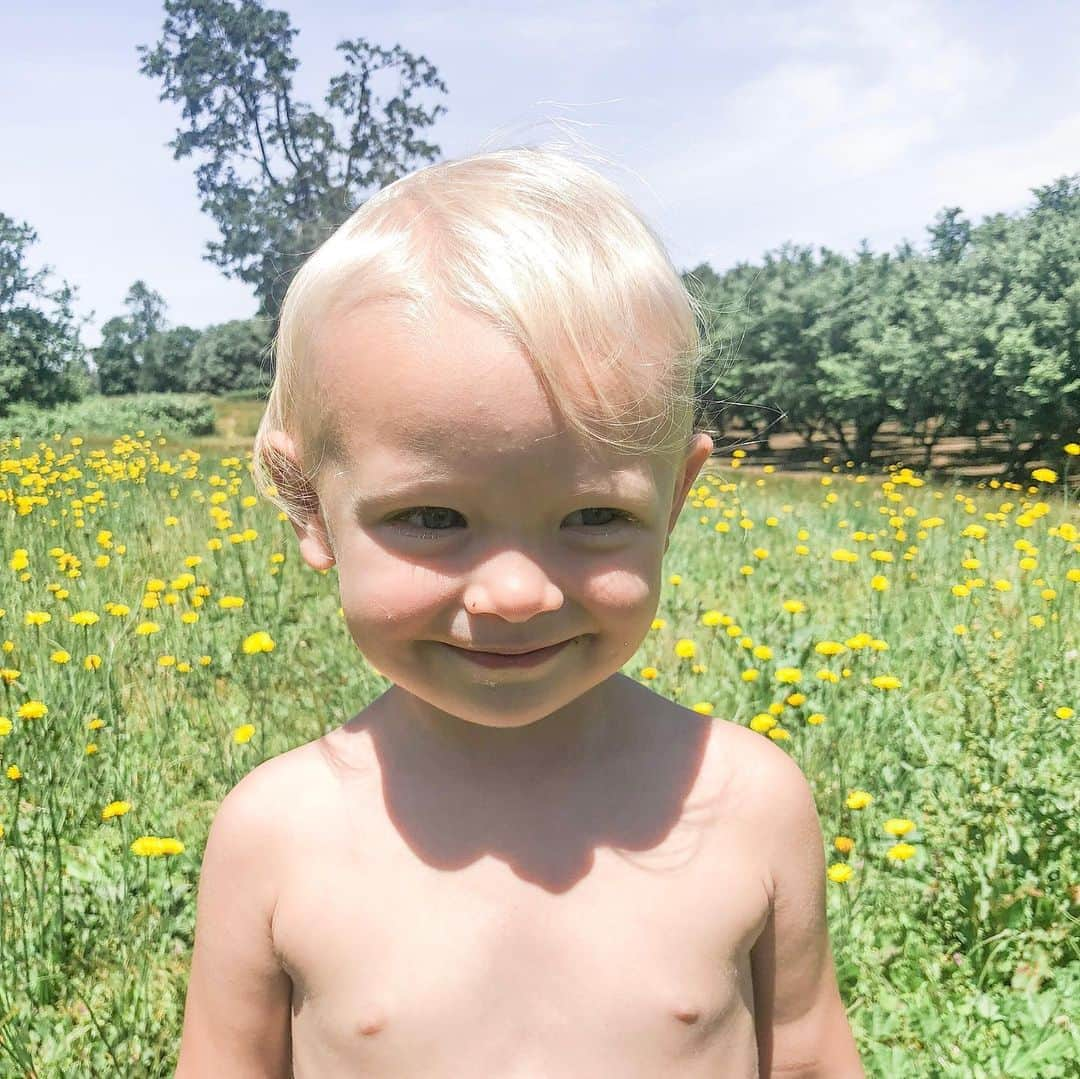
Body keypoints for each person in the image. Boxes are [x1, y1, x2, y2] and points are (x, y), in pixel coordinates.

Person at [175, 145, 864, 1078]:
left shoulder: (750, 801)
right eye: (430, 516)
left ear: (677, 501)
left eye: (594, 516)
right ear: (309, 504)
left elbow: (813, 1057)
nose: (516, 594)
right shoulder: (274, 834)